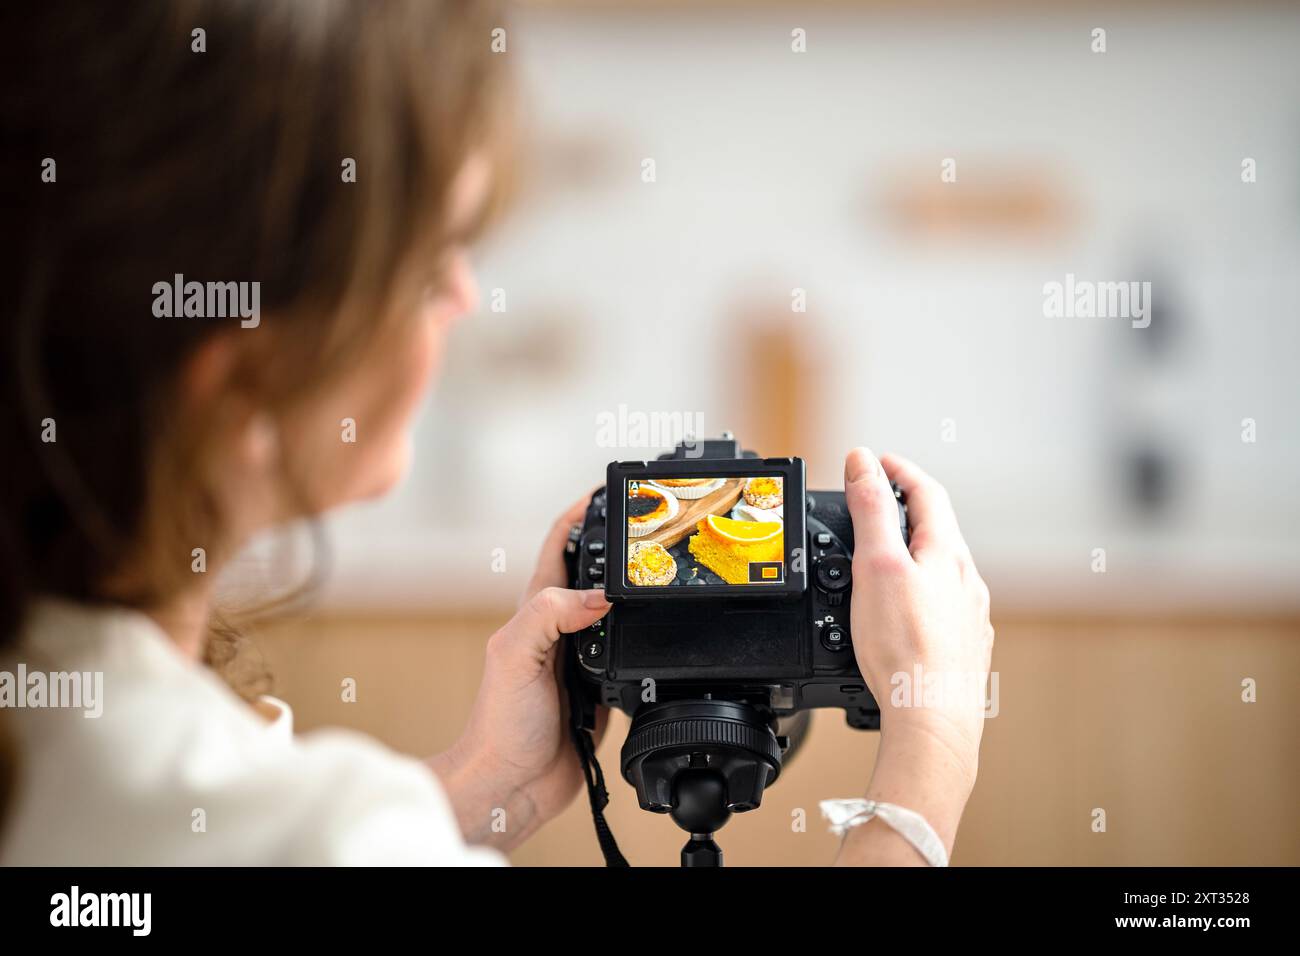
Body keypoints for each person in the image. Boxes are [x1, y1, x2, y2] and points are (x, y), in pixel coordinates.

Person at [0, 0, 992, 865]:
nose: (468, 299)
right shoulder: (308, 833)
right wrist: (923, 770)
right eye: (434, 262)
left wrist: (492, 780)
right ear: (247, 375)